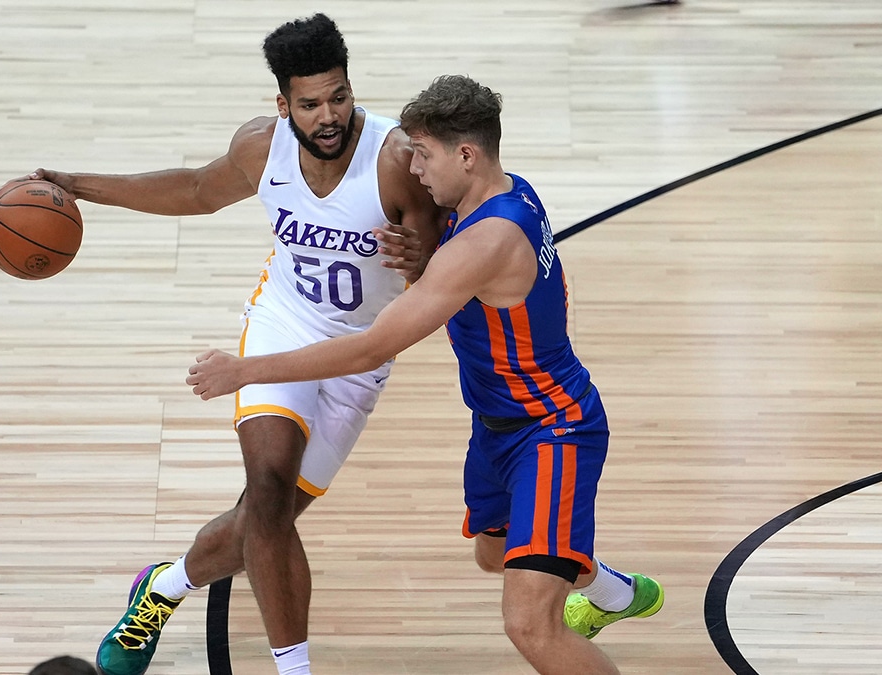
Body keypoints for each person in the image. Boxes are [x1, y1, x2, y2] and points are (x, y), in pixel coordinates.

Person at [186, 75, 663, 674]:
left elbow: (372, 347)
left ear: (466, 155)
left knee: (529, 625)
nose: (412, 168)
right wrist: (424, 259)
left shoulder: (486, 240)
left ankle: (593, 594)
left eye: (424, 153)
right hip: (497, 428)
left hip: (553, 429)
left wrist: (245, 369)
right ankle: (613, 592)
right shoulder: (500, 194)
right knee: (496, 555)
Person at [28, 13, 445, 675]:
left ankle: (164, 585)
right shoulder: (261, 148)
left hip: (361, 352)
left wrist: (420, 258)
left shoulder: (396, 162)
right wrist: (82, 187)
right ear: (283, 105)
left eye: (339, 95)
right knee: (270, 491)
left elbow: (436, 288)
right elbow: (195, 190)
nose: (329, 115)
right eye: (310, 103)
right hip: (283, 322)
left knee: (260, 521)